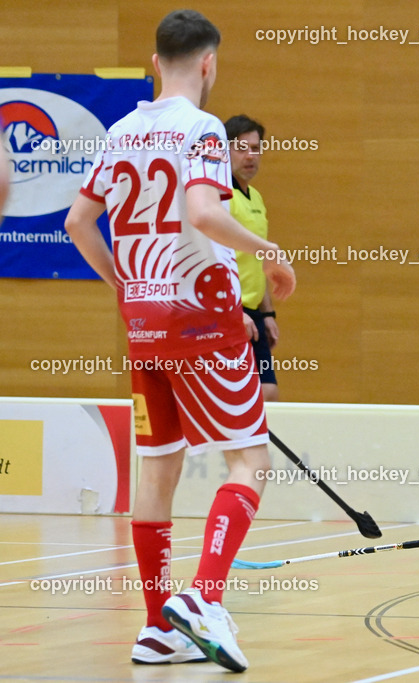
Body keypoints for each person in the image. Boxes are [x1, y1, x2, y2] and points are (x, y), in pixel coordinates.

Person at [64, 10, 295, 672]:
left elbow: (80, 221)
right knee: (249, 461)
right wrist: (270, 250)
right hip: (200, 315)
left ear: (152, 60)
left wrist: (122, 282)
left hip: (142, 323)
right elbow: (202, 211)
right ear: (208, 63)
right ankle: (205, 598)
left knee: (158, 470)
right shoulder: (201, 130)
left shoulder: (121, 130)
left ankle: (156, 625)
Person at [225, 114, 280, 401]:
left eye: (256, 148)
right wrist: (234, 311)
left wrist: (267, 313)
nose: (250, 156)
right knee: (240, 397)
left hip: (253, 314)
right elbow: (211, 258)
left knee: (268, 393)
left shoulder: (255, 197)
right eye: (241, 147)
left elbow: (259, 260)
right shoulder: (219, 198)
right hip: (227, 313)